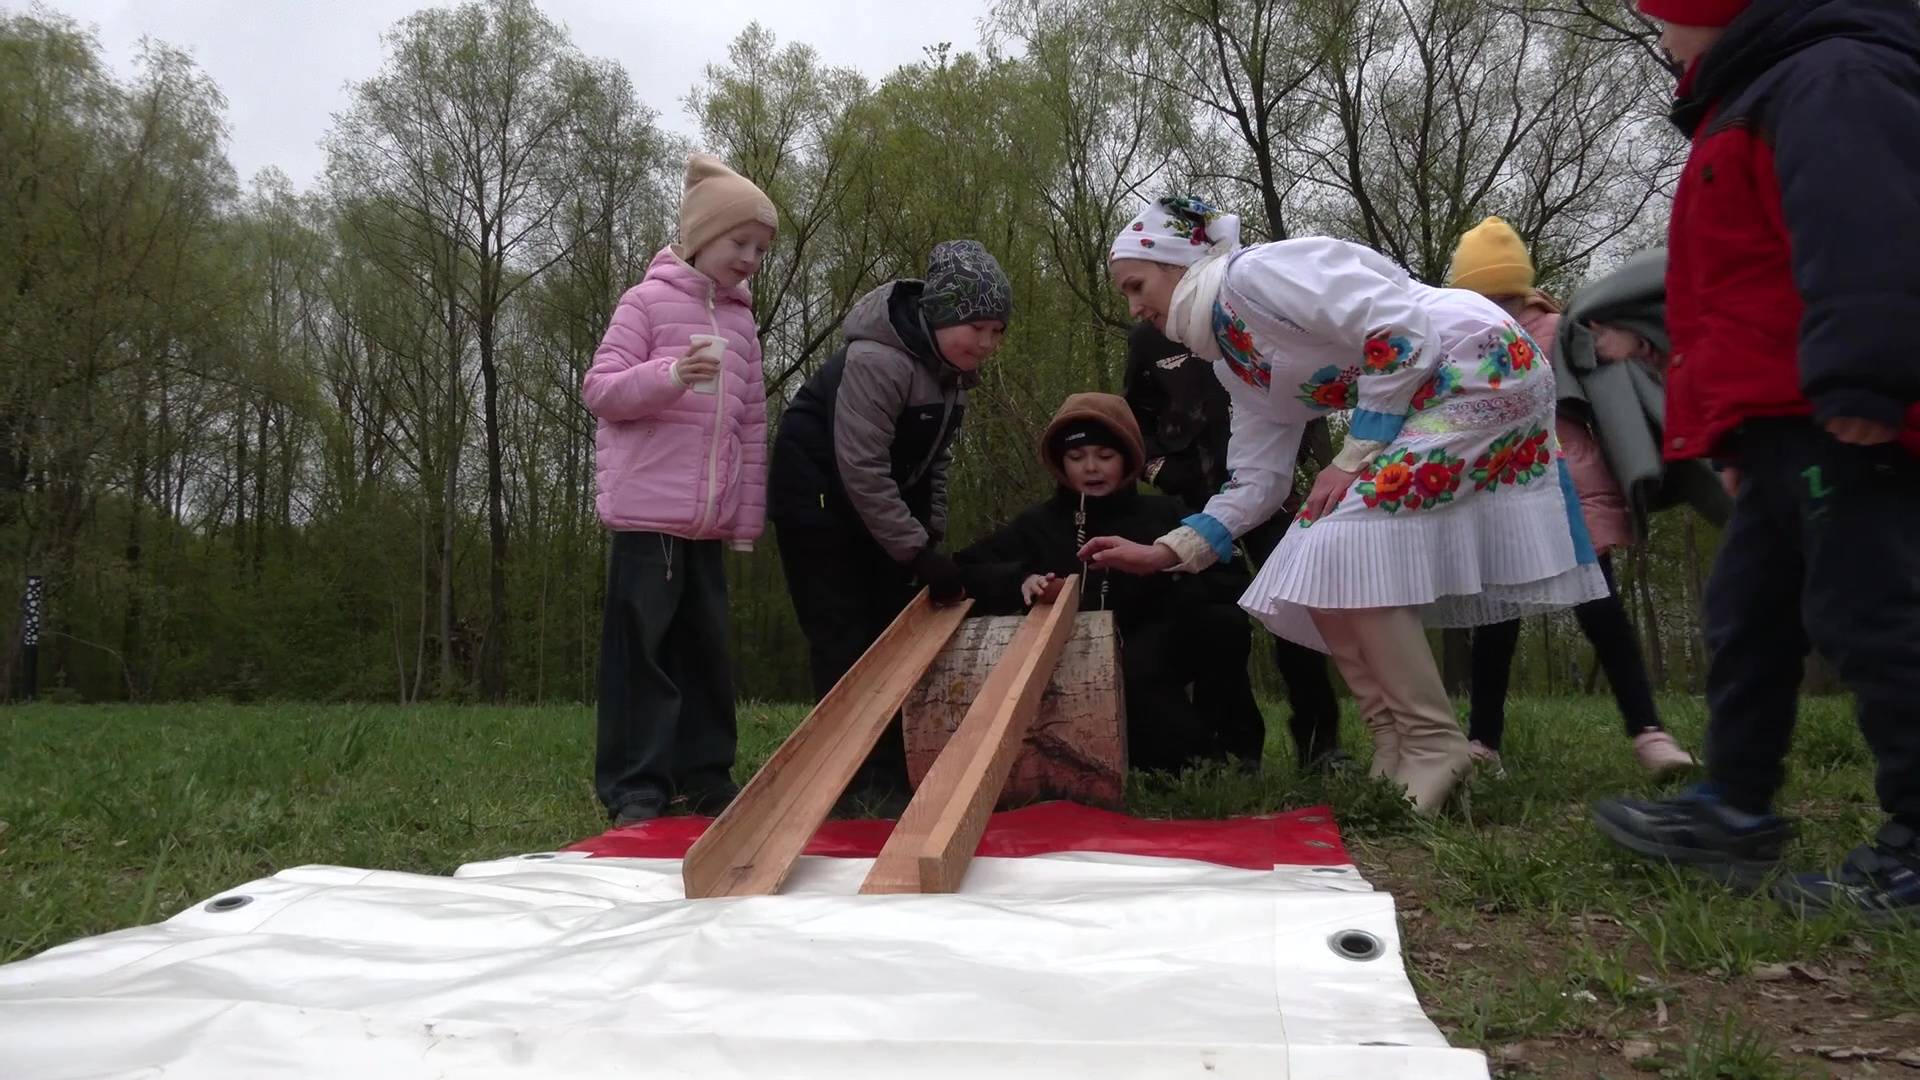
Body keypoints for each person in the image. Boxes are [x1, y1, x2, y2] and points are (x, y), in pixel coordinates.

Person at [1085, 196, 1606, 815]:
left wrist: (1352, 456)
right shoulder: (1232, 358)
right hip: (1426, 393)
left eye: (1136, 286)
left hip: (1476, 364)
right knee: (1307, 554)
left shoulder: (1256, 276)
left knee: (1344, 538)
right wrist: (1168, 549)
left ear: (1177, 263)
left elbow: (1399, 329)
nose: (1134, 307)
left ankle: (1436, 743)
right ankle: (1393, 746)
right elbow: (1257, 481)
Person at [1590, 0, 1920, 923]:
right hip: (1772, 425)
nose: (1659, 36)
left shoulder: (1835, 76)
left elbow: (1871, 234)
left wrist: (1865, 379)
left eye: (1664, 17)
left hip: (1839, 415)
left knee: (1875, 619)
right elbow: (1730, 293)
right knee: (1746, 620)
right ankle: (1734, 806)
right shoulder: (1751, 97)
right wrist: (1721, 433)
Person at [768, 240, 1014, 804]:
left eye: (997, 331)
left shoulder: (950, 376)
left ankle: (891, 764)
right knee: (843, 635)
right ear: (940, 315)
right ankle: (850, 781)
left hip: (875, 510)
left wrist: (931, 534)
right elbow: (860, 466)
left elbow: (936, 462)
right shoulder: (878, 361)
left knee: (889, 627)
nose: (987, 343)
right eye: (976, 326)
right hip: (818, 505)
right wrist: (914, 551)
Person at [1446, 218, 1695, 776]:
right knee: (1517, 620)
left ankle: (1646, 733)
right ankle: (1490, 743)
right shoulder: (1471, 340)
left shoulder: (1565, 330)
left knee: (1587, 613)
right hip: (1510, 494)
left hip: (1567, 493)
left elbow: (1634, 365)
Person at [581, 154, 778, 825]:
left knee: (707, 656)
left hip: (708, 527)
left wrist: (746, 520)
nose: (750, 258)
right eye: (739, 243)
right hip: (647, 521)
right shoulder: (644, 302)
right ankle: (637, 786)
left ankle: (705, 776)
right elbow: (600, 390)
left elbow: (752, 429)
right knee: (644, 659)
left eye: (760, 248)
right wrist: (669, 375)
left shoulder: (745, 326)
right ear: (700, 237)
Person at [955, 392, 1264, 773]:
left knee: (1224, 623)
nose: (1091, 468)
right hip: (1074, 663)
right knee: (1154, 745)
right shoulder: (1037, 525)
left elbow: (1233, 577)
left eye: (1105, 456)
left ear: (1128, 458)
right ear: (1059, 462)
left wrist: (1164, 571)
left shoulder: (1165, 512)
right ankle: (1176, 757)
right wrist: (1021, 580)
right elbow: (963, 569)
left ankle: (1237, 751)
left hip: (1159, 647)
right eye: (1076, 457)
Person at [1125, 322, 1347, 771]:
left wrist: (1293, 461)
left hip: (1270, 497)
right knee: (1215, 621)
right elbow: (1135, 417)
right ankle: (1231, 747)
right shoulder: (1147, 338)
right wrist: (1162, 471)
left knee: (1295, 609)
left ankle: (1320, 744)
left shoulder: (1250, 315)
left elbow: (1298, 394)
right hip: (1195, 503)